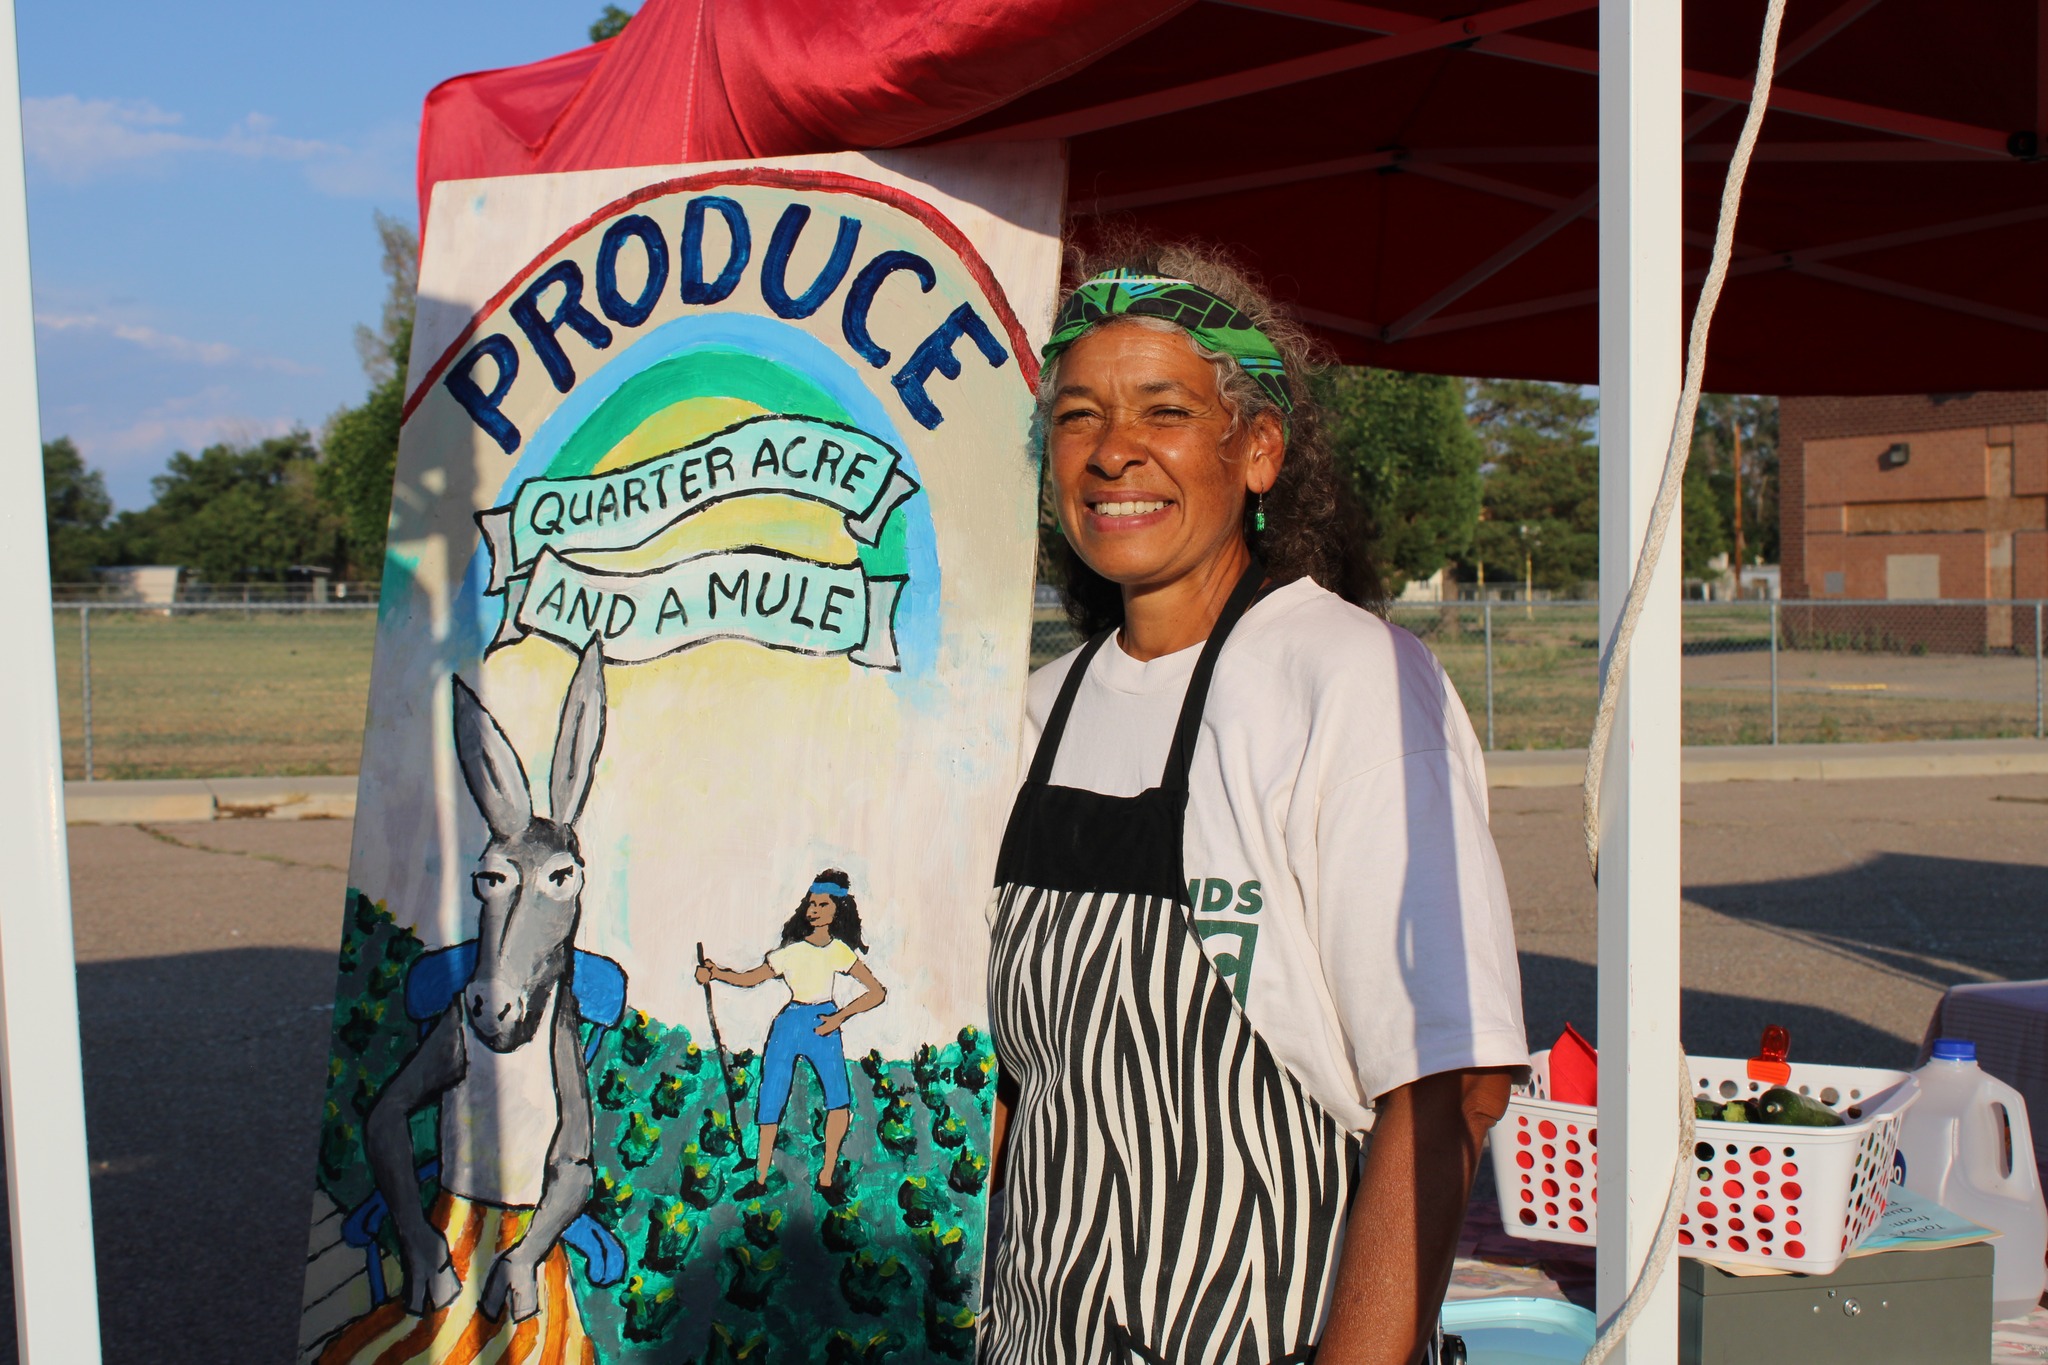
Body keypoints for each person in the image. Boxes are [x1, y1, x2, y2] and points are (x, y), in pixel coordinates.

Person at [983, 242, 1528, 1365]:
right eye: (1077, 417)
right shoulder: (1029, 715)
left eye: (1163, 410)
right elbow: (1010, 1085)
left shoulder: (1350, 682)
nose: (1113, 450)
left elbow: (1450, 1086)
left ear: (1260, 451)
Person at [696, 869, 887, 1199]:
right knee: (771, 1097)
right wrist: (715, 974)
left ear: (836, 911)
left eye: (822, 905)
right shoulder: (792, 952)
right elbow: (751, 978)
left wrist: (839, 1017)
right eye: (811, 904)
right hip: (789, 1024)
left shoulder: (839, 951)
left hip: (823, 1021)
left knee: (838, 1099)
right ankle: (759, 1178)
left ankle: (826, 1178)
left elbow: (876, 992)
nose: (813, 910)